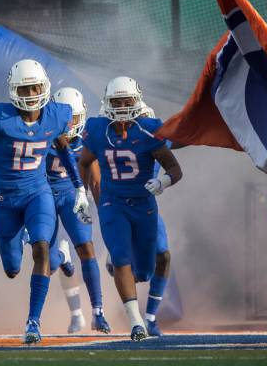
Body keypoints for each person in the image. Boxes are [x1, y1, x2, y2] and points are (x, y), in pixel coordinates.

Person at [0, 59, 87, 344]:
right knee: (12, 269)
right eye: (25, 88)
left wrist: (79, 187)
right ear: (13, 91)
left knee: (41, 248)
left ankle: (33, 321)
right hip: (5, 198)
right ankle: (59, 256)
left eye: (35, 87)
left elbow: (64, 149)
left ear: (45, 87)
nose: (31, 94)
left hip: (37, 192)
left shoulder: (57, 115)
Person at [78, 77, 182, 341]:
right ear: (107, 104)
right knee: (122, 256)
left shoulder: (150, 130)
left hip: (144, 205)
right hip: (114, 203)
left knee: (147, 269)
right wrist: (82, 192)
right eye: (117, 103)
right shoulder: (99, 130)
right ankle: (138, 322)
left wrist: (163, 181)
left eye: (128, 103)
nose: (123, 109)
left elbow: (176, 161)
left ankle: (148, 312)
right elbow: (85, 161)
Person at [46, 87, 110, 334]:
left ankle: (98, 311)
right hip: (45, 199)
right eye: (65, 117)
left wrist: (105, 212)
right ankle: (62, 257)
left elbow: (95, 181)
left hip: (74, 199)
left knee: (86, 247)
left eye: (73, 117)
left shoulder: (87, 138)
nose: (68, 123)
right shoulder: (43, 134)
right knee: (49, 263)